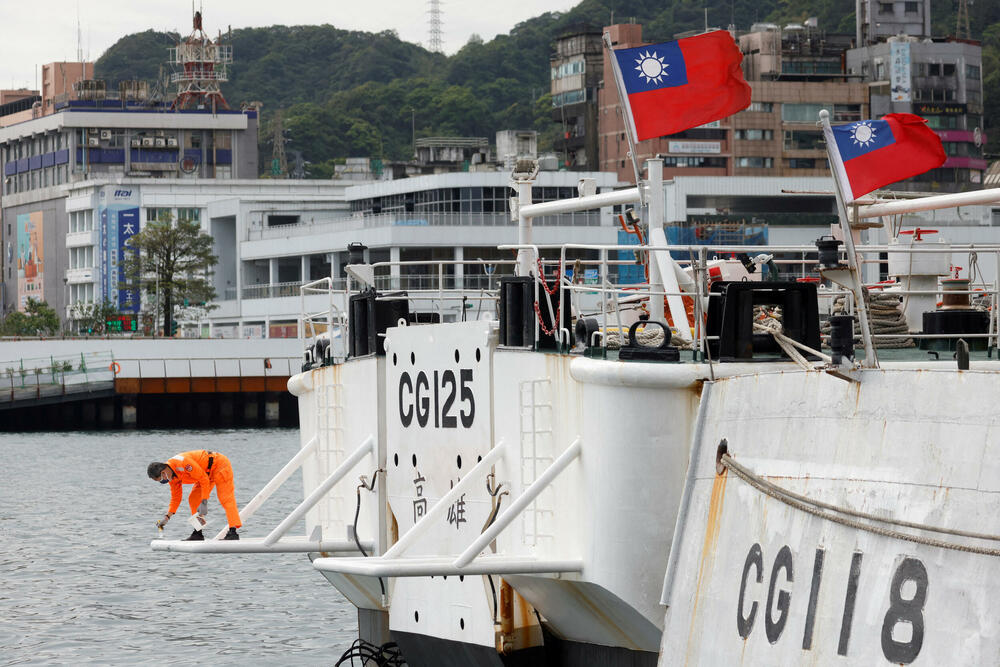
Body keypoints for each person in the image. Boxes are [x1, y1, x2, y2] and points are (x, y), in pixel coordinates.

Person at [147, 450, 241, 541]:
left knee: (226, 498)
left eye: (161, 479)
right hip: (205, 474)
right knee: (193, 499)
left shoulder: (183, 463)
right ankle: (198, 533)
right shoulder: (172, 477)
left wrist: (204, 502)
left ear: (163, 473)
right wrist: (167, 517)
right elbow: (176, 498)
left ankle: (233, 532)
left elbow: (203, 479)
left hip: (219, 465)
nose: (164, 481)